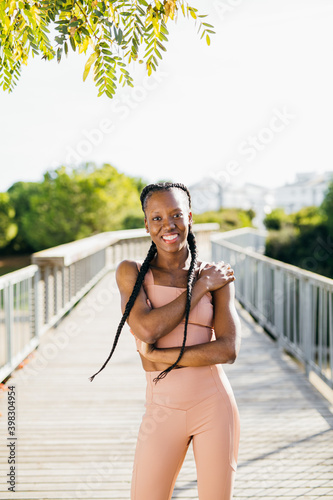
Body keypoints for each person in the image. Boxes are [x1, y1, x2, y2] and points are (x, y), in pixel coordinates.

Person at [89, 182, 241, 500]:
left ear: (190, 218)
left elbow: (227, 350)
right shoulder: (132, 273)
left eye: (175, 215)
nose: (167, 225)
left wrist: (161, 358)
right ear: (146, 224)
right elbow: (146, 330)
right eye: (156, 217)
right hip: (162, 410)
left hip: (214, 406)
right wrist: (198, 288)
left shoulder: (217, 276)